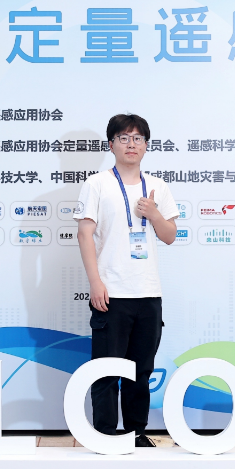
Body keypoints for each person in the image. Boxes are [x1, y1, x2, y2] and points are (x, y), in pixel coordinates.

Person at [73, 113, 180, 448]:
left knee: (140, 371)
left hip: (148, 293)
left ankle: (136, 433)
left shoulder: (158, 187)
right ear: (111, 145)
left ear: (146, 145)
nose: (131, 144)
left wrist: (154, 213)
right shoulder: (97, 184)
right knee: (105, 370)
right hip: (111, 292)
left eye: (137, 138)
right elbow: (84, 234)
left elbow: (170, 236)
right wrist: (95, 282)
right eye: (123, 138)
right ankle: (105, 435)